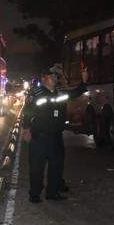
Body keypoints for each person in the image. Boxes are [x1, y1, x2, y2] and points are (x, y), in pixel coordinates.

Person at [21, 66, 69, 203]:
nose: (54, 78)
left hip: (55, 136)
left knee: (56, 166)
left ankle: (52, 193)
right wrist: (26, 129)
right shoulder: (36, 93)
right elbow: (28, 112)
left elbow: (73, 93)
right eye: (51, 76)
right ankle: (35, 194)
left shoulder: (59, 94)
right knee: (37, 167)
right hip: (39, 136)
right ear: (44, 78)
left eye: (55, 76)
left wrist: (83, 83)